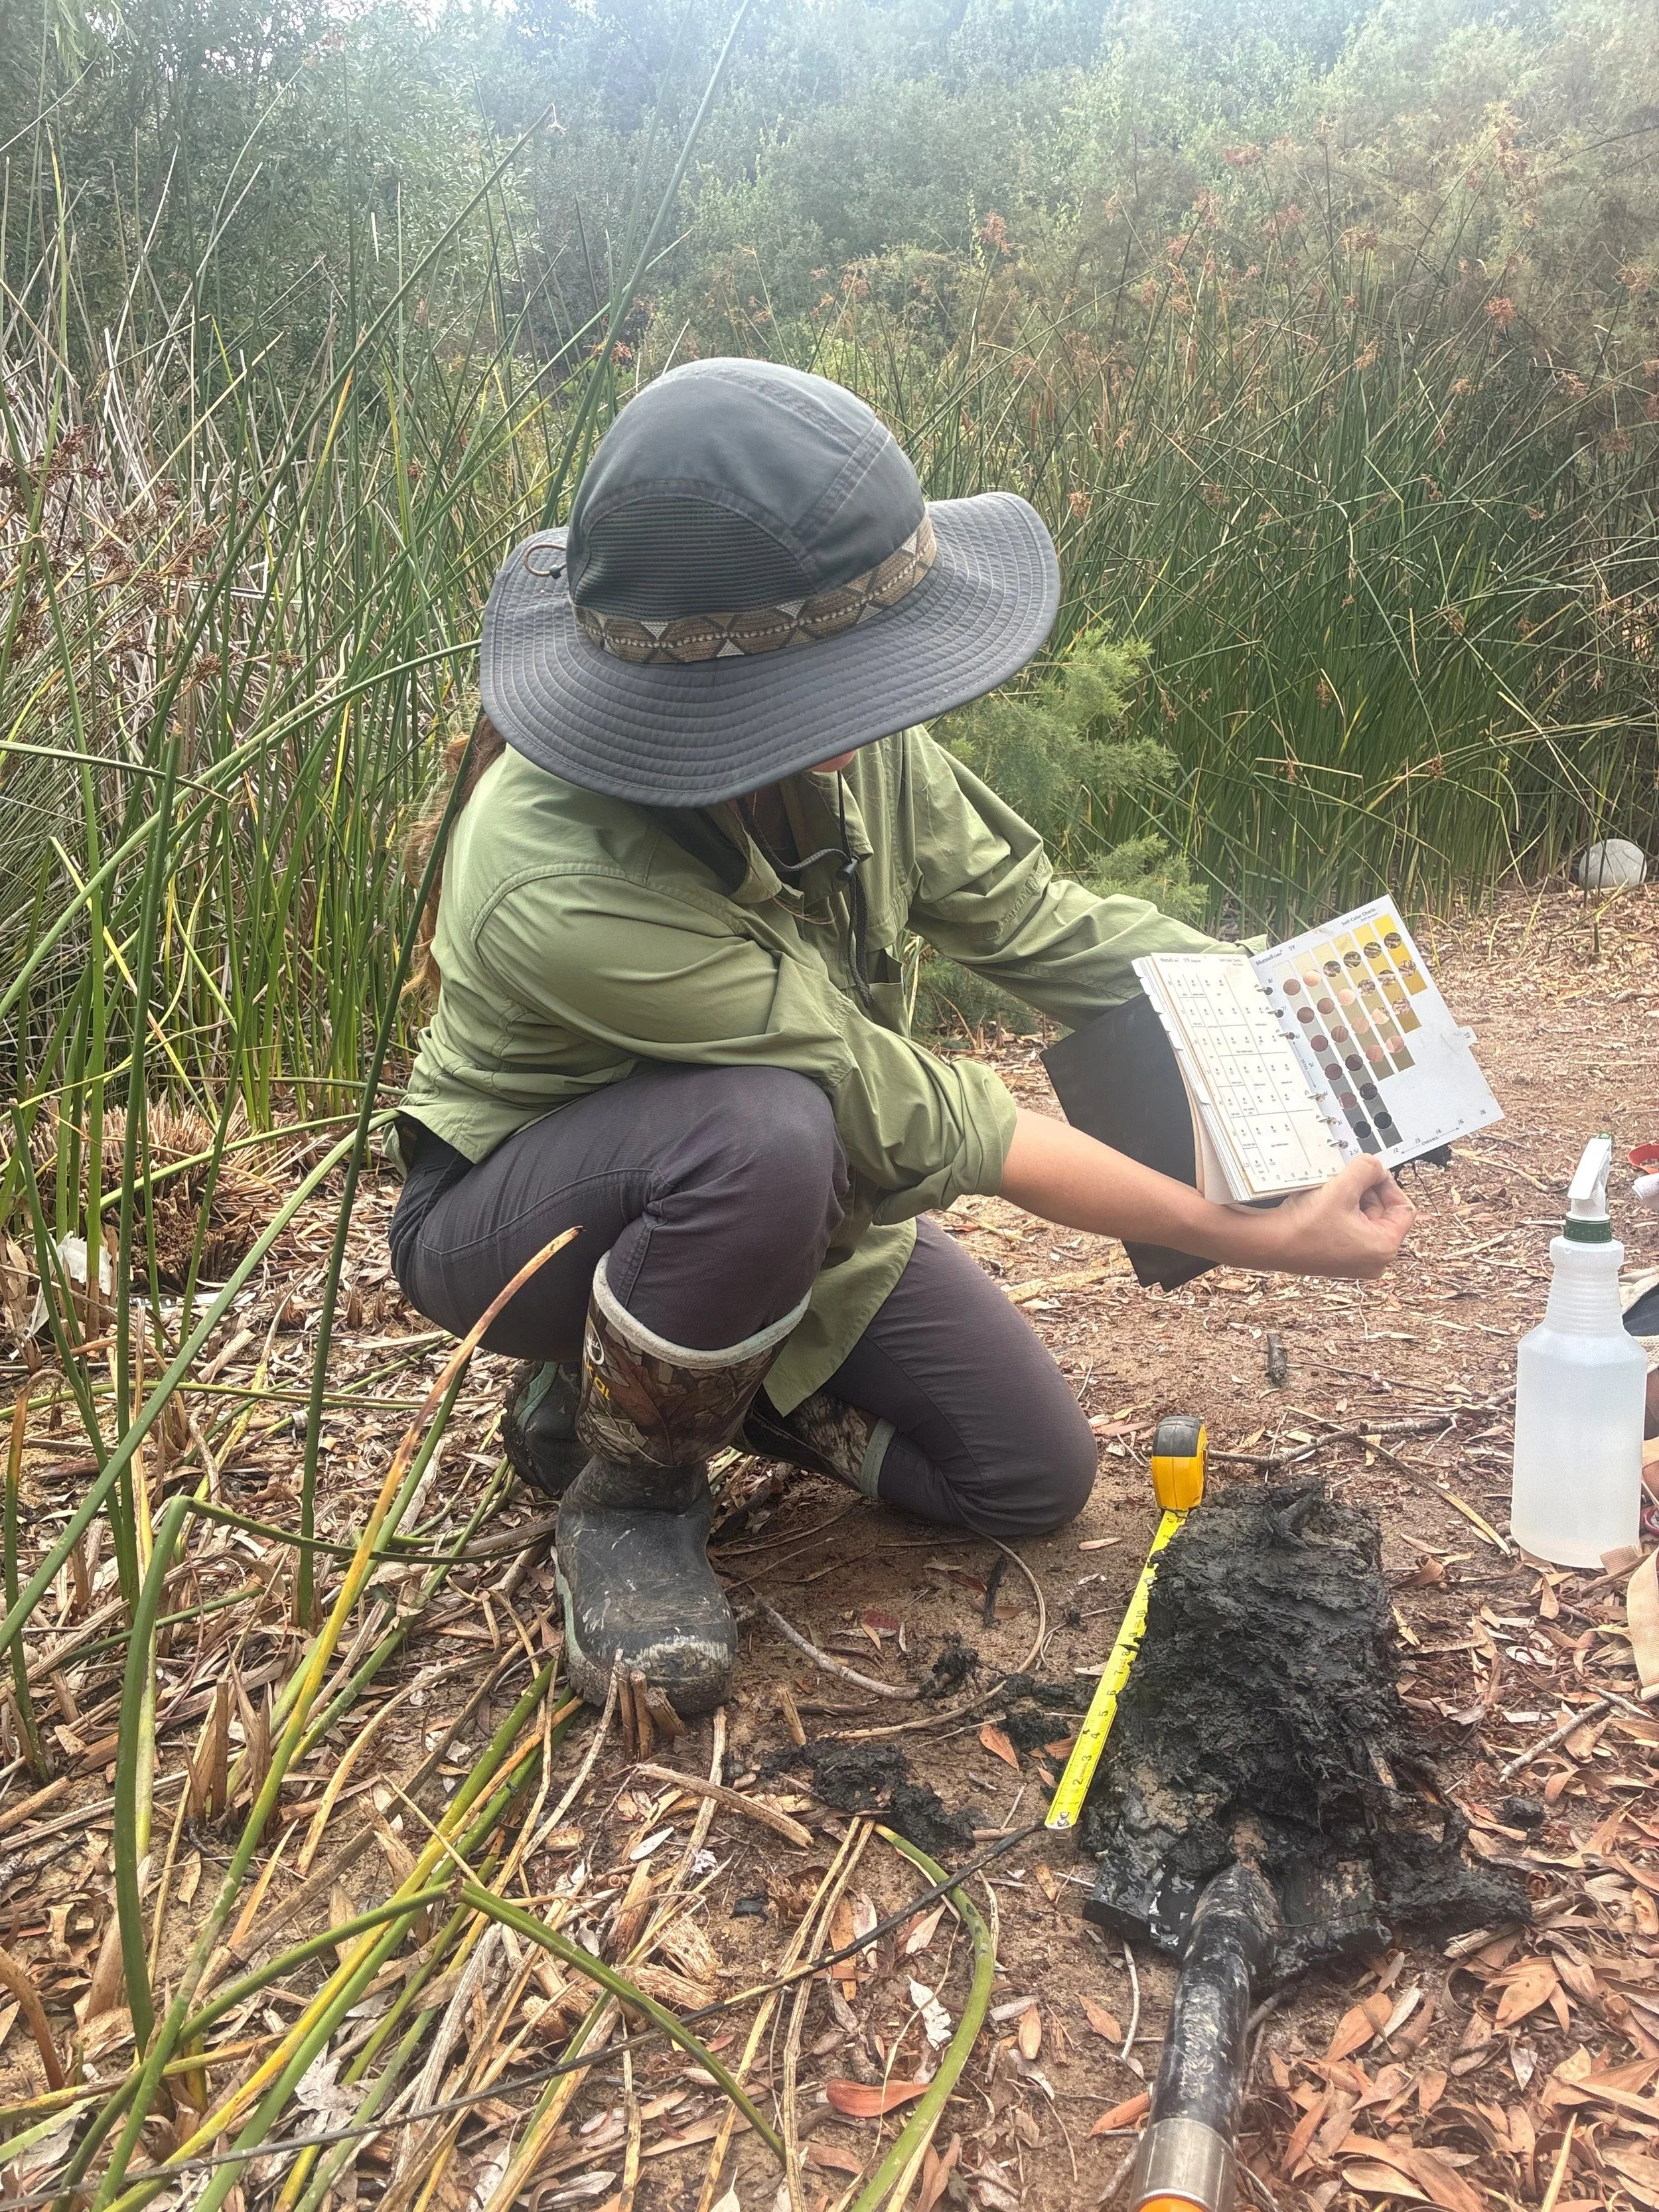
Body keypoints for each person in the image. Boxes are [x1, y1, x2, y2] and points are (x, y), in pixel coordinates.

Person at [388, 359, 1413, 1715]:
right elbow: (921, 1115)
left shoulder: (830, 732)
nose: (873, 714)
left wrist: (1267, 984)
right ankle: (630, 1490)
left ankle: (637, 1379)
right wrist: (1251, 1236)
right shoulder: (549, 870)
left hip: (781, 1206)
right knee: (761, 1135)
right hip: (530, 1218)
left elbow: (1030, 916)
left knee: (1023, 1478)